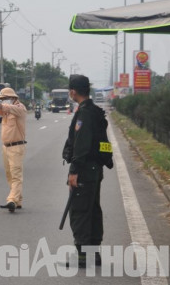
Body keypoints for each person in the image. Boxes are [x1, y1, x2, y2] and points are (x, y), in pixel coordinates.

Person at [63, 74, 111, 268]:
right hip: (95, 168)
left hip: (84, 169)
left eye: (69, 90)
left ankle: (84, 256)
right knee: (92, 209)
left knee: (80, 210)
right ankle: (94, 253)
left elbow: (81, 145)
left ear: (73, 91)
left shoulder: (84, 114)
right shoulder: (95, 111)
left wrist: (74, 171)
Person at [0, 87, 27, 212]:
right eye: (2, 99)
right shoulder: (6, 111)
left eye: (5, 99)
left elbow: (8, 108)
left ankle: (11, 200)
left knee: (16, 176)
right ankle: (17, 200)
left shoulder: (20, 108)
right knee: (9, 175)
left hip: (16, 146)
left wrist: (2, 105)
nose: (3, 101)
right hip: (6, 147)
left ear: (13, 98)